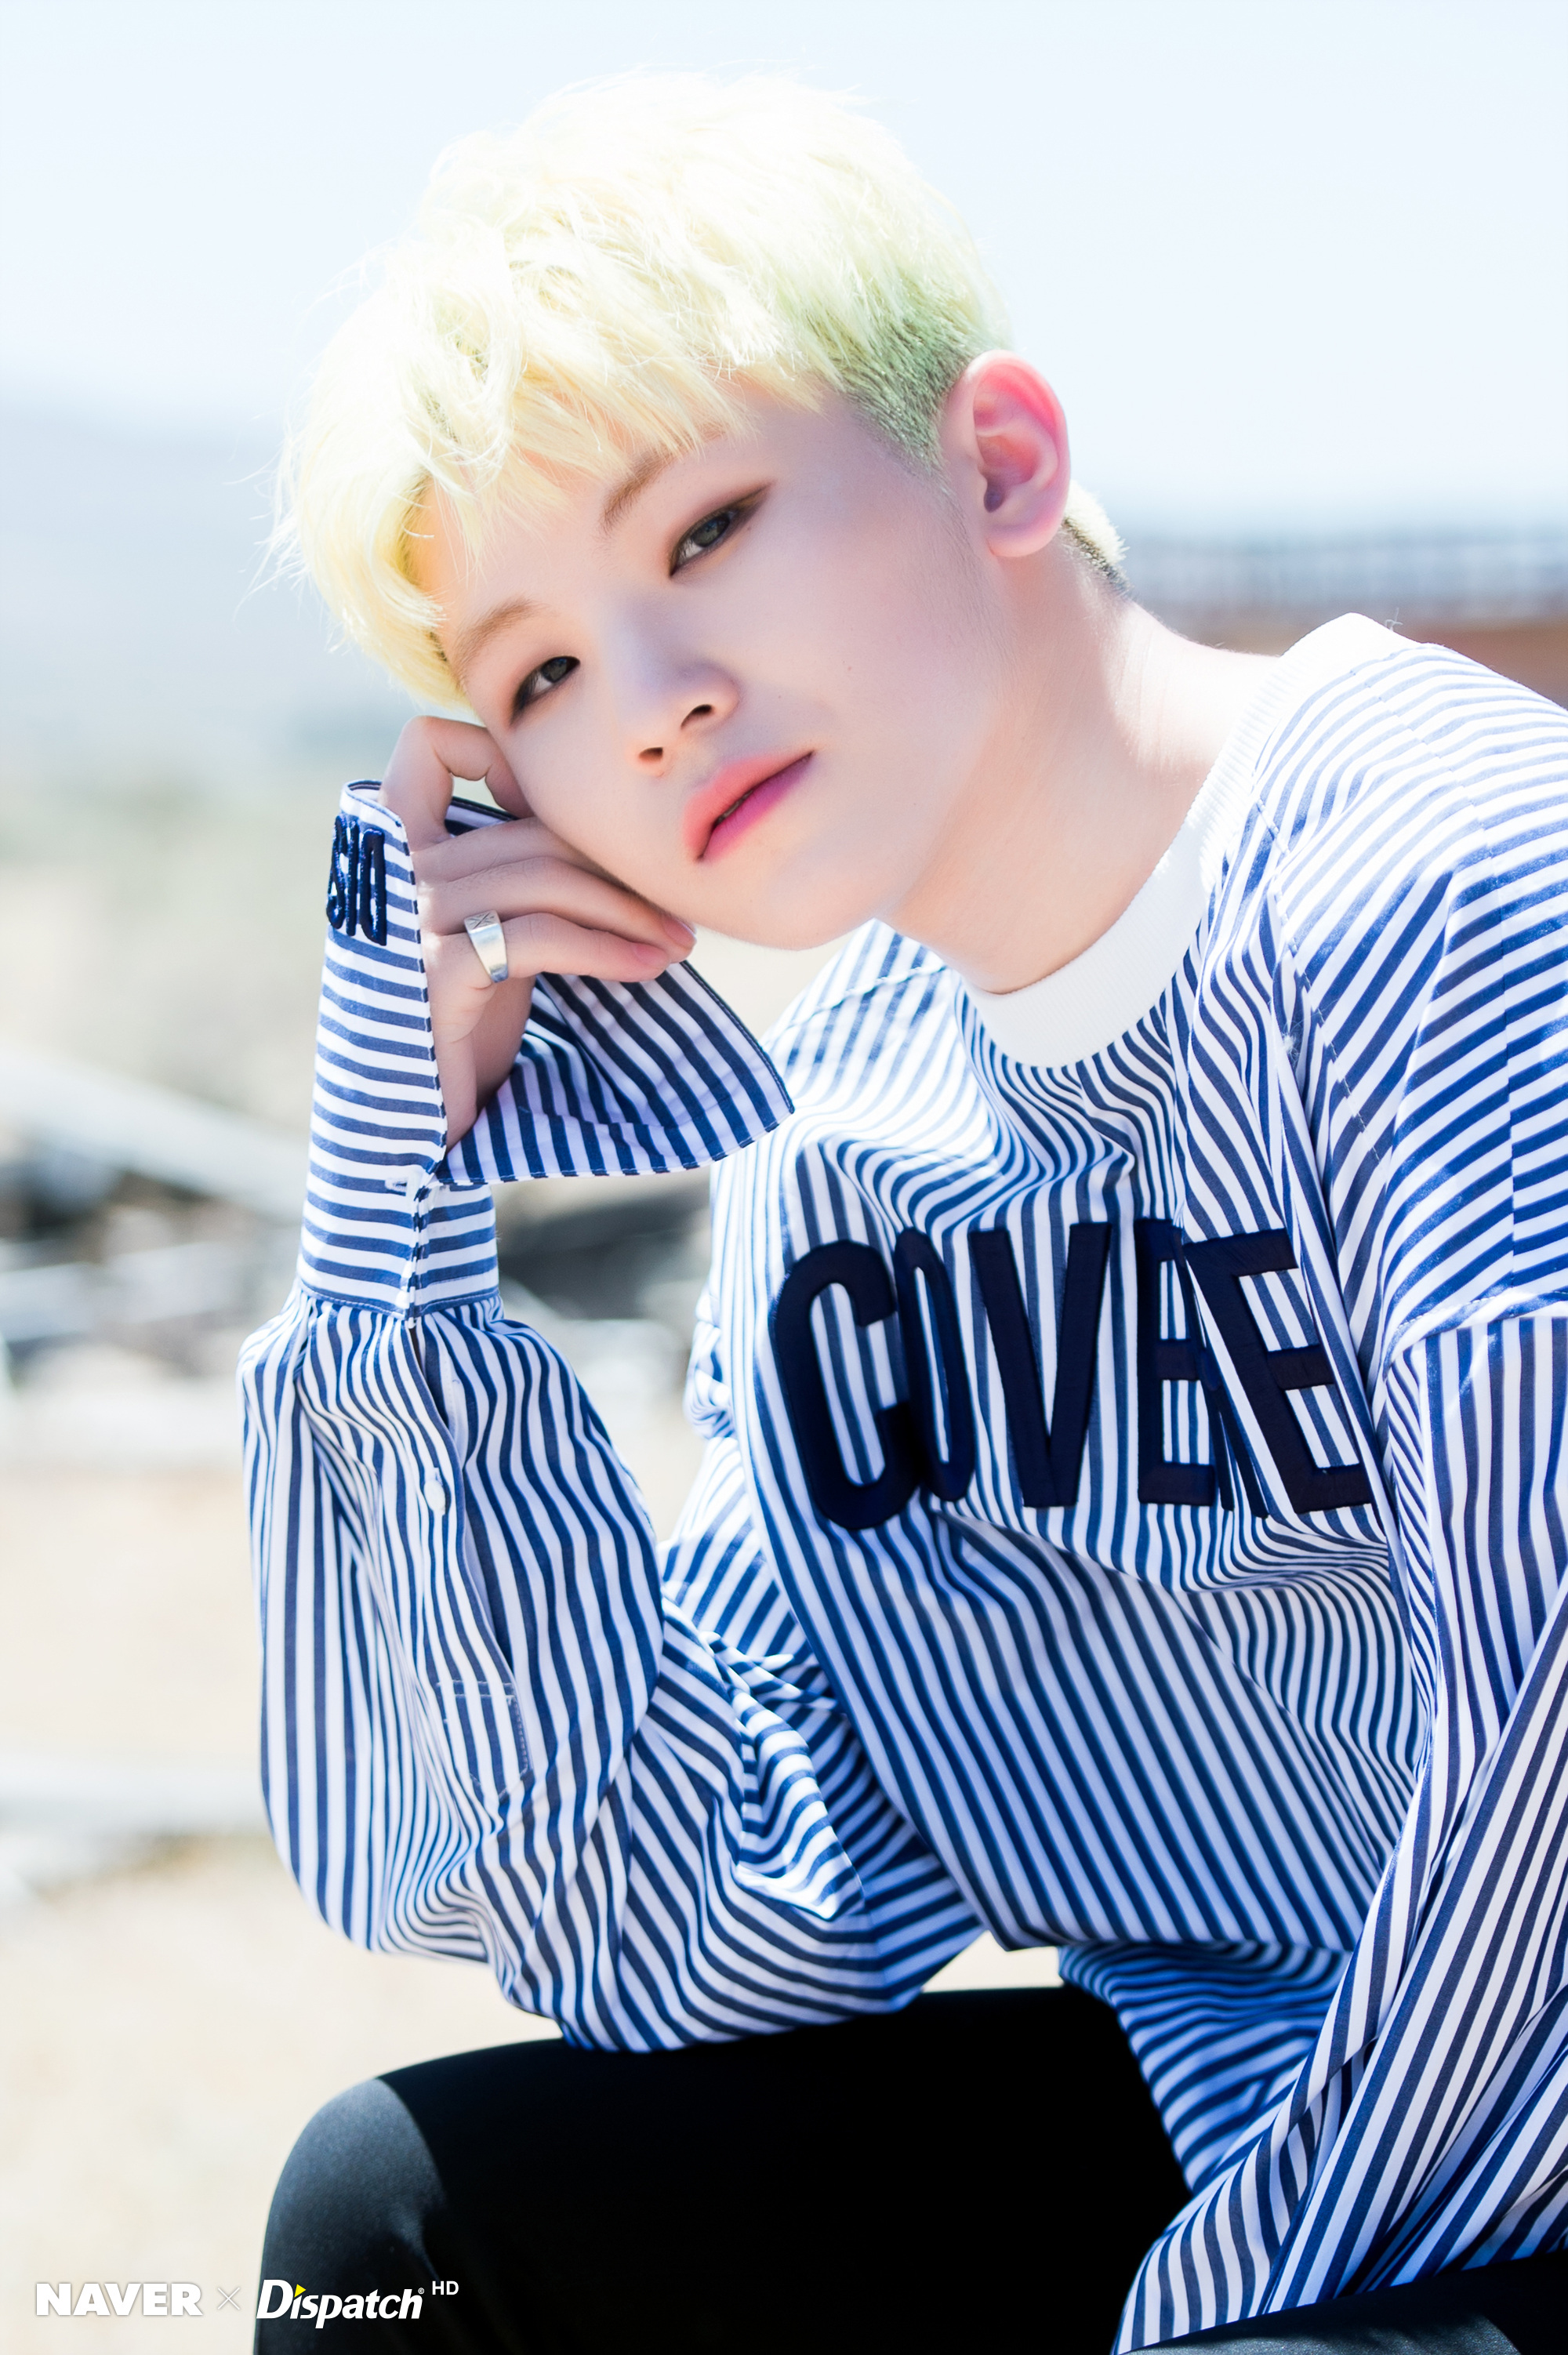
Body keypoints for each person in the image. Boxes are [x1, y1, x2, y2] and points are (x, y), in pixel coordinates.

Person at [243, 72, 1568, 2353]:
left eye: (707, 529)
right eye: (539, 672)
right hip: (1258, 2105)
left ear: (1002, 462)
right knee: (405, 2228)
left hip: (1479, 2127)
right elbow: (700, 1912)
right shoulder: (852, 1120)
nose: (651, 708)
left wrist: (1201, 2315)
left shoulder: (1442, 890)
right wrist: (400, 1203)